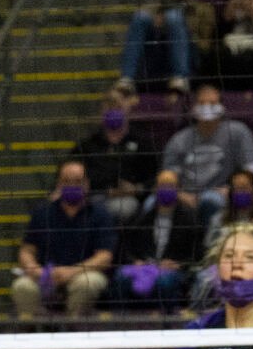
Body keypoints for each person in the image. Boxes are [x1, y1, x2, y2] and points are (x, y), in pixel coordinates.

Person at [11, 159, 115, 318]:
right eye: (67, 181)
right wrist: (36, 270)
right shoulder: (42, 213)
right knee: (22, 286)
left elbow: (104, 257)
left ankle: (73, 330)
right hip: (47, 275)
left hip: (83, 273)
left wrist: (71, 272)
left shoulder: (100, 214)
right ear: (59, 183)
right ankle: (38, 330)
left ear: (86, 184)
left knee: (88, 283)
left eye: (77, 181)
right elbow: (26, 250)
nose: (72, 186)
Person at [160, 86, 253, 232]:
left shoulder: (238, 132)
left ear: (221, 107)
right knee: (152, 202)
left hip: (221, 194)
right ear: (194, 107)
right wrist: (180, 195)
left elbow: (252, 169)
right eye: (202, 103)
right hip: (185, 195)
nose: (207, 108)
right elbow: (166, 176)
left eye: (212, 103)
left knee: (210, 199)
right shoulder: (179, 139)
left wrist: (231, 189)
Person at [112, 168, 204, 311]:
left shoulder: (190, 219)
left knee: (164, 282)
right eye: (162, 185)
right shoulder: (141, 216)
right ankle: (120, 323)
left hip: (173, 270)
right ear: (155, 188)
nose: (166, 189)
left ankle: (166, 323)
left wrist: (178, 264)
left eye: (170, 186)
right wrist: (135, 261)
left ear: (178, 189)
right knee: (121, 278)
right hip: (143, 266)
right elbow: (125, 247)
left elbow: (198, 255)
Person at [117, 0, 212, 96]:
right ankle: (127, 78)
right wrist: (159, 27)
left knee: (173, 18)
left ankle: (180, 77)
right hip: (156, 54)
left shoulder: (204, 9)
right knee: (140, 17)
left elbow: (206, 46)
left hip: (189, 57)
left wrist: (184, 31)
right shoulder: (154, 8)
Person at [72, 90, 155, 225]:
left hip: (130, 199)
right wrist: (106, 190)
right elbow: (74, 173)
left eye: (118, 107)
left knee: (119, 209)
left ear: (128, 110)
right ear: (101, 112)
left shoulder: (142, 142)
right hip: (95, 196)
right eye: (109, 107)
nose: (113, 111)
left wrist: (138, 188)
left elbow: (156, 175)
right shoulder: (88, 145)